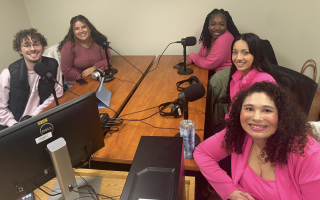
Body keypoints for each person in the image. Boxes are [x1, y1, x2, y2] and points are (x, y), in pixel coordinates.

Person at [195, 82, 320, 200]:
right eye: (249, 108)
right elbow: (202, 153)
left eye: (267, 110)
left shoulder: (310, 157)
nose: (256, 117)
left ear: (282, 116)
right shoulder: (240, 133)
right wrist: (229, 190)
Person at [205, 33, 276, 139]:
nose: (238, 58)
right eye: (235, 52)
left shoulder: (263, 83)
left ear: (257, 55)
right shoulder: (237, 76)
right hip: (234, 126)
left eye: (245, 53)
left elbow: (261, 123)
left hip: (252, 136)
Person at [0, 28, 63, 131]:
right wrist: (15, 125)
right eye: (27, 45)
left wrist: (35, 115)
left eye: (36, 44)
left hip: (43, 118)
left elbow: (58, 93)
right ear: (20, 50)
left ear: (43, 48)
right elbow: (1, 108)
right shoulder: (8, 74)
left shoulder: (53, 65)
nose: (32, 48)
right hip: (15, 126)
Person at [178, 9, 240, 73]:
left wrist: (192, 56)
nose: (217, 28)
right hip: (210, 72)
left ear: (226, 25)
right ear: (208, 25)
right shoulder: (208, 36)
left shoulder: (225, 39)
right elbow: (202, 54)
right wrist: (190, 60)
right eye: (213, 24)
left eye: (221, 24)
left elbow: (208, 64)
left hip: (223, 76)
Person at [58, 15, 112, 88]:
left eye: (83, 27)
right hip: (78, 81)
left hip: (97, 76)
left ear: (89, 28)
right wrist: (84, 77)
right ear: (73, 32)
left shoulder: (99, 41)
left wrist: (94, 68)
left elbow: (108, 61)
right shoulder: (68, 46)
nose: (81, 31)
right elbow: (67, 71)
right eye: (77, 29)